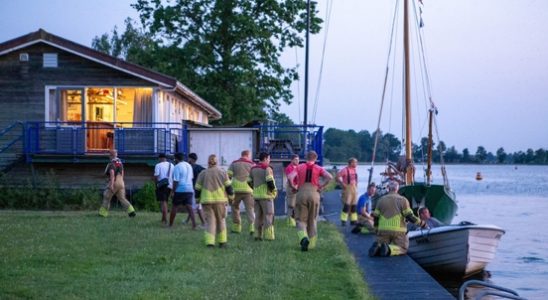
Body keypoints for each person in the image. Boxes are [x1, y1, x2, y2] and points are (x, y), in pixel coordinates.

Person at [289, 150, 332, 251]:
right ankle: (311, 244)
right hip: (314, 193)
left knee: (300, 219)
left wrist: (293, 186)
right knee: (312, 219)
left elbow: (290, 177)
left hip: (301, 193)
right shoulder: (319, 168)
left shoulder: (299, 167)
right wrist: (321, 186)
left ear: (305, 157)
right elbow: (329, 177)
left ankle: (303, 238)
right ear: (316, 158)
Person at [368, 181, 425, 257]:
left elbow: (376, 217)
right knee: (403, 248)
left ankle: (378, 246)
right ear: (397, 189)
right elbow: (409, 216)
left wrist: (376, 229)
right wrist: (422, 223)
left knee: (382, 243)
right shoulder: (403, 200)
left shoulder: (380, 200)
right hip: (398, 231)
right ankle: (389, 249)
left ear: (388, 189)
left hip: (383, 230)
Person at [195, 154, 234, 248]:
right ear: (217, 162)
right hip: (220, 201)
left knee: (210, 222)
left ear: (208, 162)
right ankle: (222, 242)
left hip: (206, 201)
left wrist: (197, 200)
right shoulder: (223, 172)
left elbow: (197, 189)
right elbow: (229, 188)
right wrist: (231, 198)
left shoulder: (202, 173)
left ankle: (210, 243)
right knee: (221, 221)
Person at [98, 149, 136, 218]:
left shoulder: (111, 164)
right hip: (121, 182)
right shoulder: (120, 163)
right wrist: (122, 182)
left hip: (114, 181)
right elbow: (122, 173)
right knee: (122, 198)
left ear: (111, 155)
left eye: (109, 154)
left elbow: (112, 174)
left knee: (107, 197)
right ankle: (131, 211)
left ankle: (103, 213)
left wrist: (111, 185)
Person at [248, 152, 277, 241]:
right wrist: (273, 190)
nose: (269, 160)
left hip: (256, 196)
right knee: (268, 215)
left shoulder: (253, 168)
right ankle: (269, 236)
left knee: (258, 216)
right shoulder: (267, 169)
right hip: (266, 196)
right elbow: (270, 181)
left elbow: (249, 181)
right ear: (265, 159)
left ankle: (257, 235)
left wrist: (254, 188)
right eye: (268, 158)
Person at [227, 150, 255, 234]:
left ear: (241, 155)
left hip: (236, 189)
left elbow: (228, 176)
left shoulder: (234, 163)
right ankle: (252, 228)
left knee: (235, 208)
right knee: (250, 209)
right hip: (248, 190)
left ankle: (236, 228)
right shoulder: (252, 164)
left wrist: (228, 189)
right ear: (248, 155)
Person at [169, 153, 196, 228]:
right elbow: (191, 177)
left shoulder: (177, 167)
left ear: (176, 159)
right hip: (190, 189)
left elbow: (176, 181)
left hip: (180, 189)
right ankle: (194, 224)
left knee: (175, 206)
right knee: (189, 207)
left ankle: (170, 224)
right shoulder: (189, 166)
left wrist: (173, 191)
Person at [338, 157, 359, 226]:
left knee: (354, 206)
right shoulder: (344, 170)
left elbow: (356, 179)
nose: (356, 164)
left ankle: (353, 220)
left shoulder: (355, 170)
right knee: (346, 205)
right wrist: (342, 184)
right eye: (355, 162)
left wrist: (356, 186)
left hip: (354, 188)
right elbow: (337, 177)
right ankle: (343, 220)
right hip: (348, 188)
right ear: (351, 163)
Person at [154, 153, 174, 225]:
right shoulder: (171, 165)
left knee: (163, 202)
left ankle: (165, 219)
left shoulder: (158, 165)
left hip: (162, 186)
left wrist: (156, 185)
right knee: (165, 201)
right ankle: (163, 218)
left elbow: (156, 176)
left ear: (160, 158)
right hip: (170, 185)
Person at [187, 153, 206, 226]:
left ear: (191, 159)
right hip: (197, 188)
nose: (187, 159)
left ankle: (204, 223)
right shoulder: (199, 167)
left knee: (197, 206)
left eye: (188, 158)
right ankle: (187, 220)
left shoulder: (189, 167)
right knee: (192, 205)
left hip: (193, 189)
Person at [284, 154, 300, 227]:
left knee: (297, 204)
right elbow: (290, 178)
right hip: (292, 187)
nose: (297, 161)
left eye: (298, 159)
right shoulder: (289, 168)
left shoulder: (298, 167)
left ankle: (295, 219)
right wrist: (294, 186)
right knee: (291, 204)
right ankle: (289, 221)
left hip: (298, 187)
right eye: (296, 160)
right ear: (292, 160)